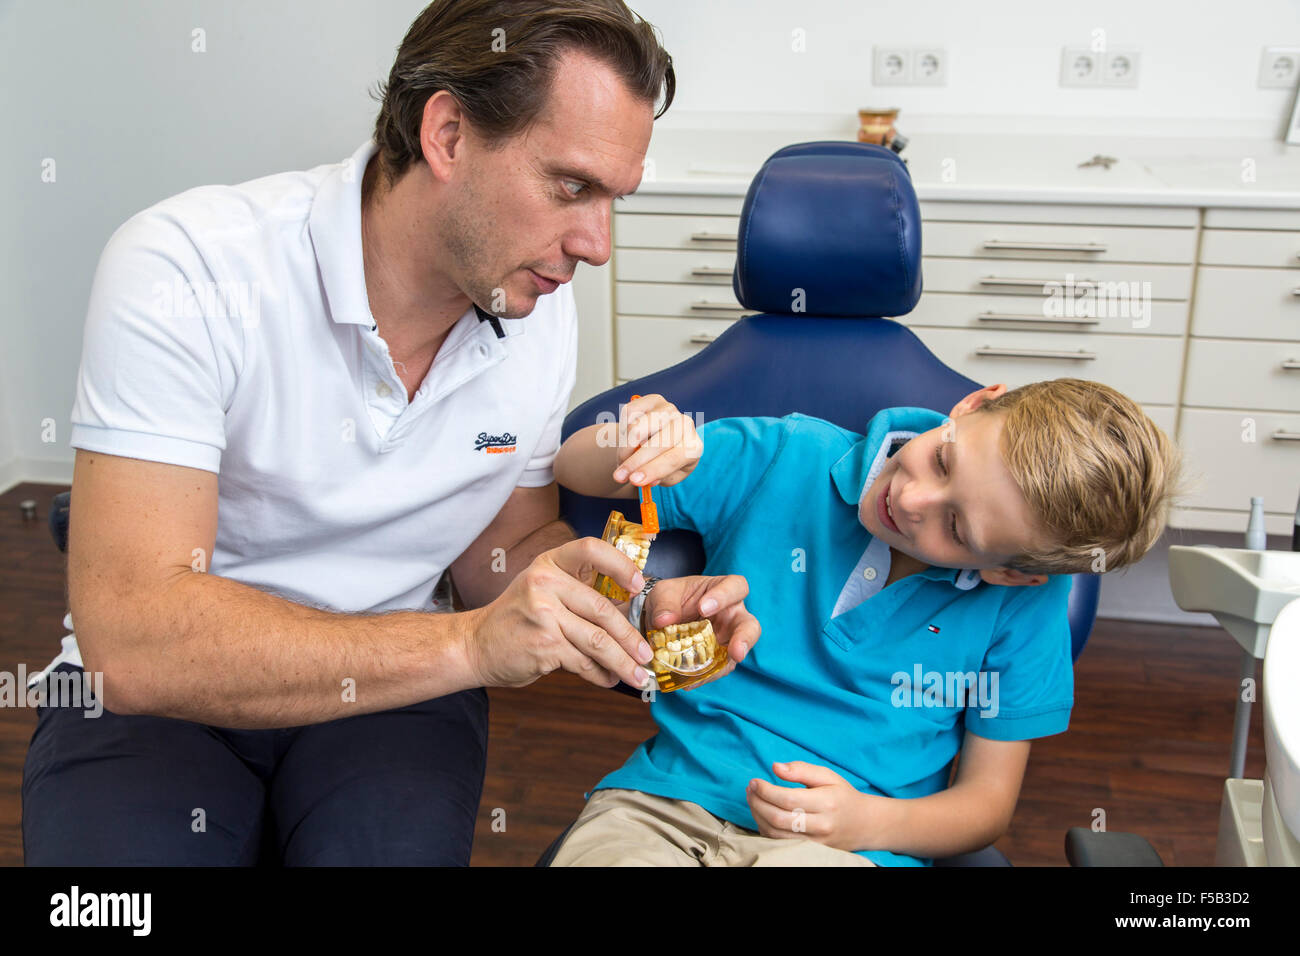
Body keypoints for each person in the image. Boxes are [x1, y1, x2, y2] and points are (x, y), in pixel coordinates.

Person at [22, 0, 761, 866]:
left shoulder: (532, 305)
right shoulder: (188, 266)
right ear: (447, 133)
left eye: (613, 200)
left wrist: (619, 608)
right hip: (169, 696)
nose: (596, 245)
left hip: (393, 694)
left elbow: (504, 546)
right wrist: (468, 644)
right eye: (571, 186)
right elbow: (137, 638)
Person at [547, 381, 1185, 865]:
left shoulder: (1023, 608)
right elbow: (575, 469)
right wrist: (635, 441)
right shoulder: (786, 457)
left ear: (1011, 574)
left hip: (840, 849)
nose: (910, 500)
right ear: (972, 405)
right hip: (662, 804)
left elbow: (986, 805)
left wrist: (864, 825)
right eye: (942, 462)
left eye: (957, 528)